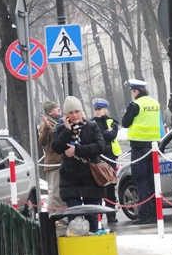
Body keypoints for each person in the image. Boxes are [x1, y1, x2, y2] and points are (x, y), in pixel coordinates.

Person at [51, 96, 105, 232]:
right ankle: (77, 247)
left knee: (91, 216)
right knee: (74, 218)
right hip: (70, 179)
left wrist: (77, 150)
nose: (74, 115)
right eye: (70, 112)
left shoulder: (92, 126)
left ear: (81, 112)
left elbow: (100, 147)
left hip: (91, 177)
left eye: (77, 111)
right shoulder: (60, 128)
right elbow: (56, 147)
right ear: (65, 114)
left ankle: (92, 245)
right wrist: (67, 131)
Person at [121, 79, 161, 225]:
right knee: (153, 180)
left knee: (140, 180)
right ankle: (155, 212)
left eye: (132, 91)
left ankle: (144, 214)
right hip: (154, 146)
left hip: (139, 147)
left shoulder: (136, 104)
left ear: (136, 91)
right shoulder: (155, 103)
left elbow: (125, 122)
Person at [91, 97, 120, 224]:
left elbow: (112, 135)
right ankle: (97, 216)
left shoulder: (111, 121)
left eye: (99, 109)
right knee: (97, 186)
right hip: (97, 157)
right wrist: (104, 132)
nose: (97, 111)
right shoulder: (91, 123)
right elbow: (96, 135)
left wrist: (102, 133)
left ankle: (111, 215)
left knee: (110, 187)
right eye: (95, 109)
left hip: (110, 157)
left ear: (105, 109)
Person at [38, 101, 65, 218]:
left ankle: (63, 217)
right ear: (49, 112)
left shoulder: (61, 121)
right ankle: (54, 217)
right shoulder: (46, 124)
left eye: (59, 106)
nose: (59, 108)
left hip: (63, 162)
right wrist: (46, 128)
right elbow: (42, 142)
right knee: (54, 193)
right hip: (53, 163)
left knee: (62, 192)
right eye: (55, 107)